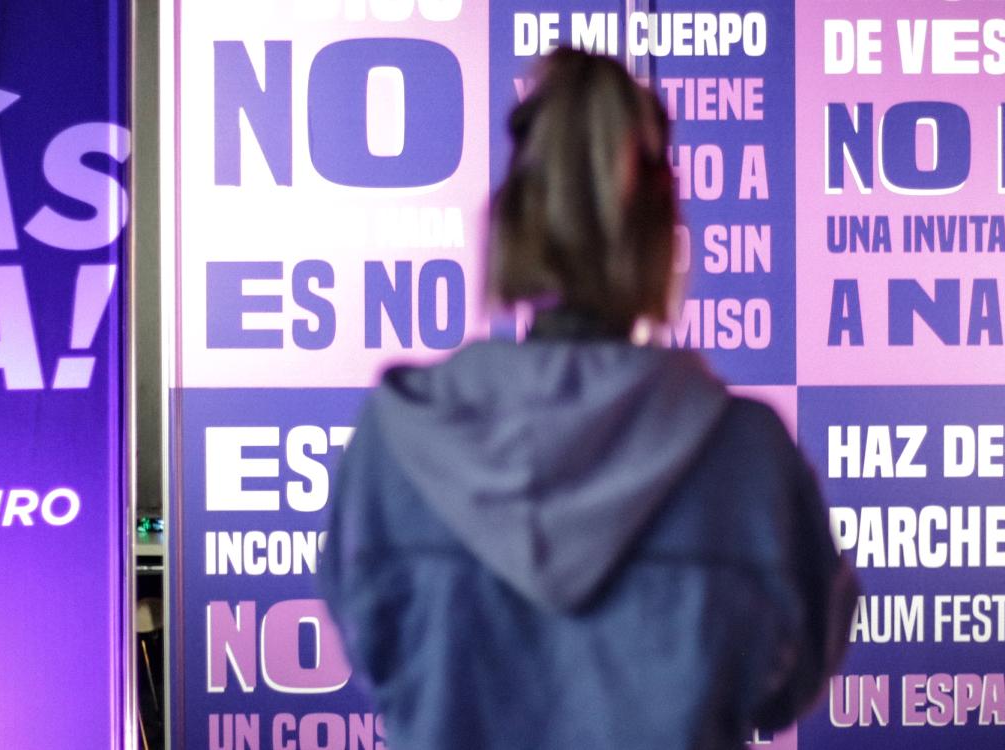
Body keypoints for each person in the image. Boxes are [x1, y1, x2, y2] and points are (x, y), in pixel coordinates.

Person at [318, 47, 857, 750]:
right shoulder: (748, 461)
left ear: (511, 218)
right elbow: (788, 685)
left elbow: (380, 665)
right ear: (664, 232)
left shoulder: (397, 444)